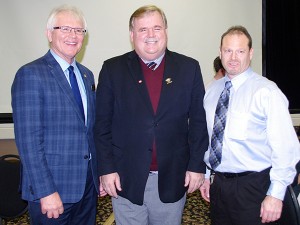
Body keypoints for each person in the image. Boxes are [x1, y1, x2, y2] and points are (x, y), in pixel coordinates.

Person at [94, 5, 209, 225]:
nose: (150, 35)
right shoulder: (112, 69)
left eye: (156, 28)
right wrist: (106, 169)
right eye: (142, 29)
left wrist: (196, 165)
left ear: (166, 30)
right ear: (132, 35)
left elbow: (198, 122)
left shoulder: (189, 68)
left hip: (172, 178)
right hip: (125, 180)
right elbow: (102, 126)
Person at [200, 25, 300, 225]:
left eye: (240, 51)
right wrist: (206, 175)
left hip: (255, 187)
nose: (233, 57)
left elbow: (286, 148)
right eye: (228, 50)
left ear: (251, 53)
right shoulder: (211, 91)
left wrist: (276, 195)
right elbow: (211, 139)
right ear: (220, 53)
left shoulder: (267, 92)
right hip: (219, 187)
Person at [11, 5, 99, 225]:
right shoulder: (30, 74)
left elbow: (88, 132)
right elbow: (29, 142)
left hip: (87, 188)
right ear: (49, 33)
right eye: (65, 29)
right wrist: (46, 192)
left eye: (79, 31)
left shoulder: (87, 76)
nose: (73, 36)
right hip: (52, 192)